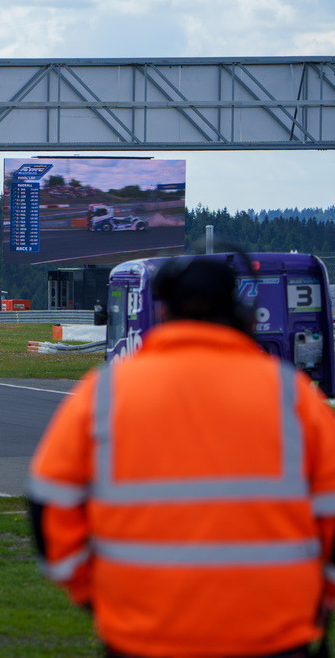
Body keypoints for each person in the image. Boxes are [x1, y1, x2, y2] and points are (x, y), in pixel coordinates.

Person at [28, 256, 335, 657]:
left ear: (163, 313)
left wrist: (92, 592)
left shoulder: (102, 395)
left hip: (141, 638)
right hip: (274, 639)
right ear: (246, 318)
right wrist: (320, 599)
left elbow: (49, 506)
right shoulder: (295, 398)